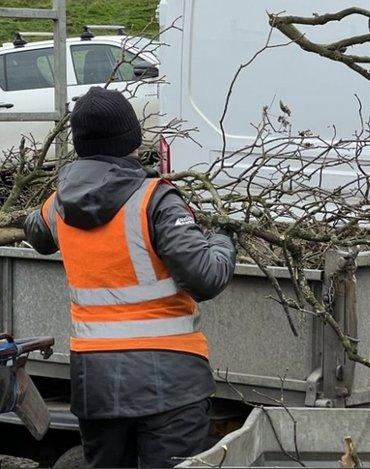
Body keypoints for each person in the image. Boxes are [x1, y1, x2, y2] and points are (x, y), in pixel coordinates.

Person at [22, 87, 237, 468]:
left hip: (97, 385)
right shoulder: (155, 199)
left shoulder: (58, 204)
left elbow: (35, 232)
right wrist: (223, 238)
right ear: (132, 141)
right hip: (171, 383)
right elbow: (206, 277)